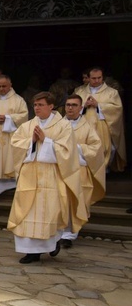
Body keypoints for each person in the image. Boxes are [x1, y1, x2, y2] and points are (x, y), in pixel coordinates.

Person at [8, 92, 88, 264]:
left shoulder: (63, 126)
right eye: (35, 105)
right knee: (27, 213)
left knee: (48, 212)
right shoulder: (28, 126)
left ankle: (51, 244)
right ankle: (31, 252)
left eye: (41, 105)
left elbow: (68, 151)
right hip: (29, 176)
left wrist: (46, 141)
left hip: (51, 176)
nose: (36, 108)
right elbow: (15, 144)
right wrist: (32, 142)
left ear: (51, 106)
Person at [59, 94, 105, 248]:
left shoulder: (87, 127)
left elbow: (96, 148)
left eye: (73, 105)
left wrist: (76, 148)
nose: (70, 108)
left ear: (80, 107)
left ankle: (69, 235)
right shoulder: (57, 124)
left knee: (75, 201)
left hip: (79, 170)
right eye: (67, 105)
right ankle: (57, 232)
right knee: (60, 201)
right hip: (59, 170)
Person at [74, 67, 126, 172]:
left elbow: (117, 109)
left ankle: (103, 172)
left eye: (99, 78)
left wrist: (98, 105)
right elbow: (71, 107)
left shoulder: (112, 92)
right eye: (93, 78)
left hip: (102, 126)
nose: (97, 80)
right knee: (84, 149)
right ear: (88, 78)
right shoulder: (79, 91)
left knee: (105, 148)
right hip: (84, 126)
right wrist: (84, 105)